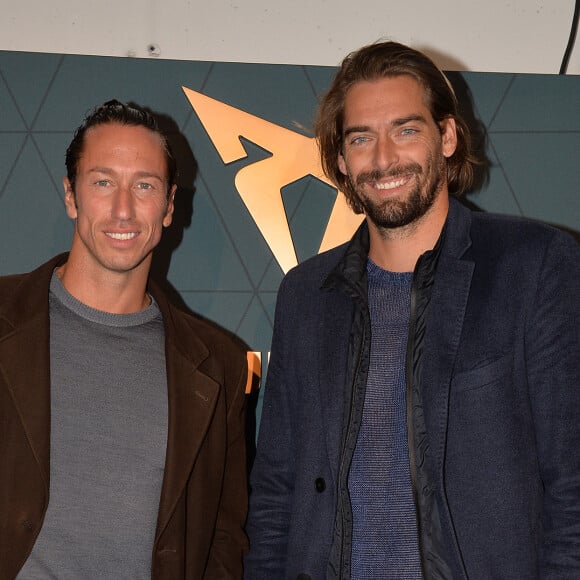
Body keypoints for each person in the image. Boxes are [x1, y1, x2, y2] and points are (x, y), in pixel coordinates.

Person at [244, 41, 580, 579]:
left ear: (446, 137)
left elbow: (572, 487)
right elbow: (275, 495)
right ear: (338, 159)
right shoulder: (305, 297)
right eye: (361, 138)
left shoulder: (533, 267)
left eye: (406, 130)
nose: (383, 159)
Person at [0, 100, 248, 579]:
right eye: (103, 182)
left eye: (145, 186)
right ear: (71, 196)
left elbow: (224, 535)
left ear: (170, 205)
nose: (123, 209)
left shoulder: (218, 365)